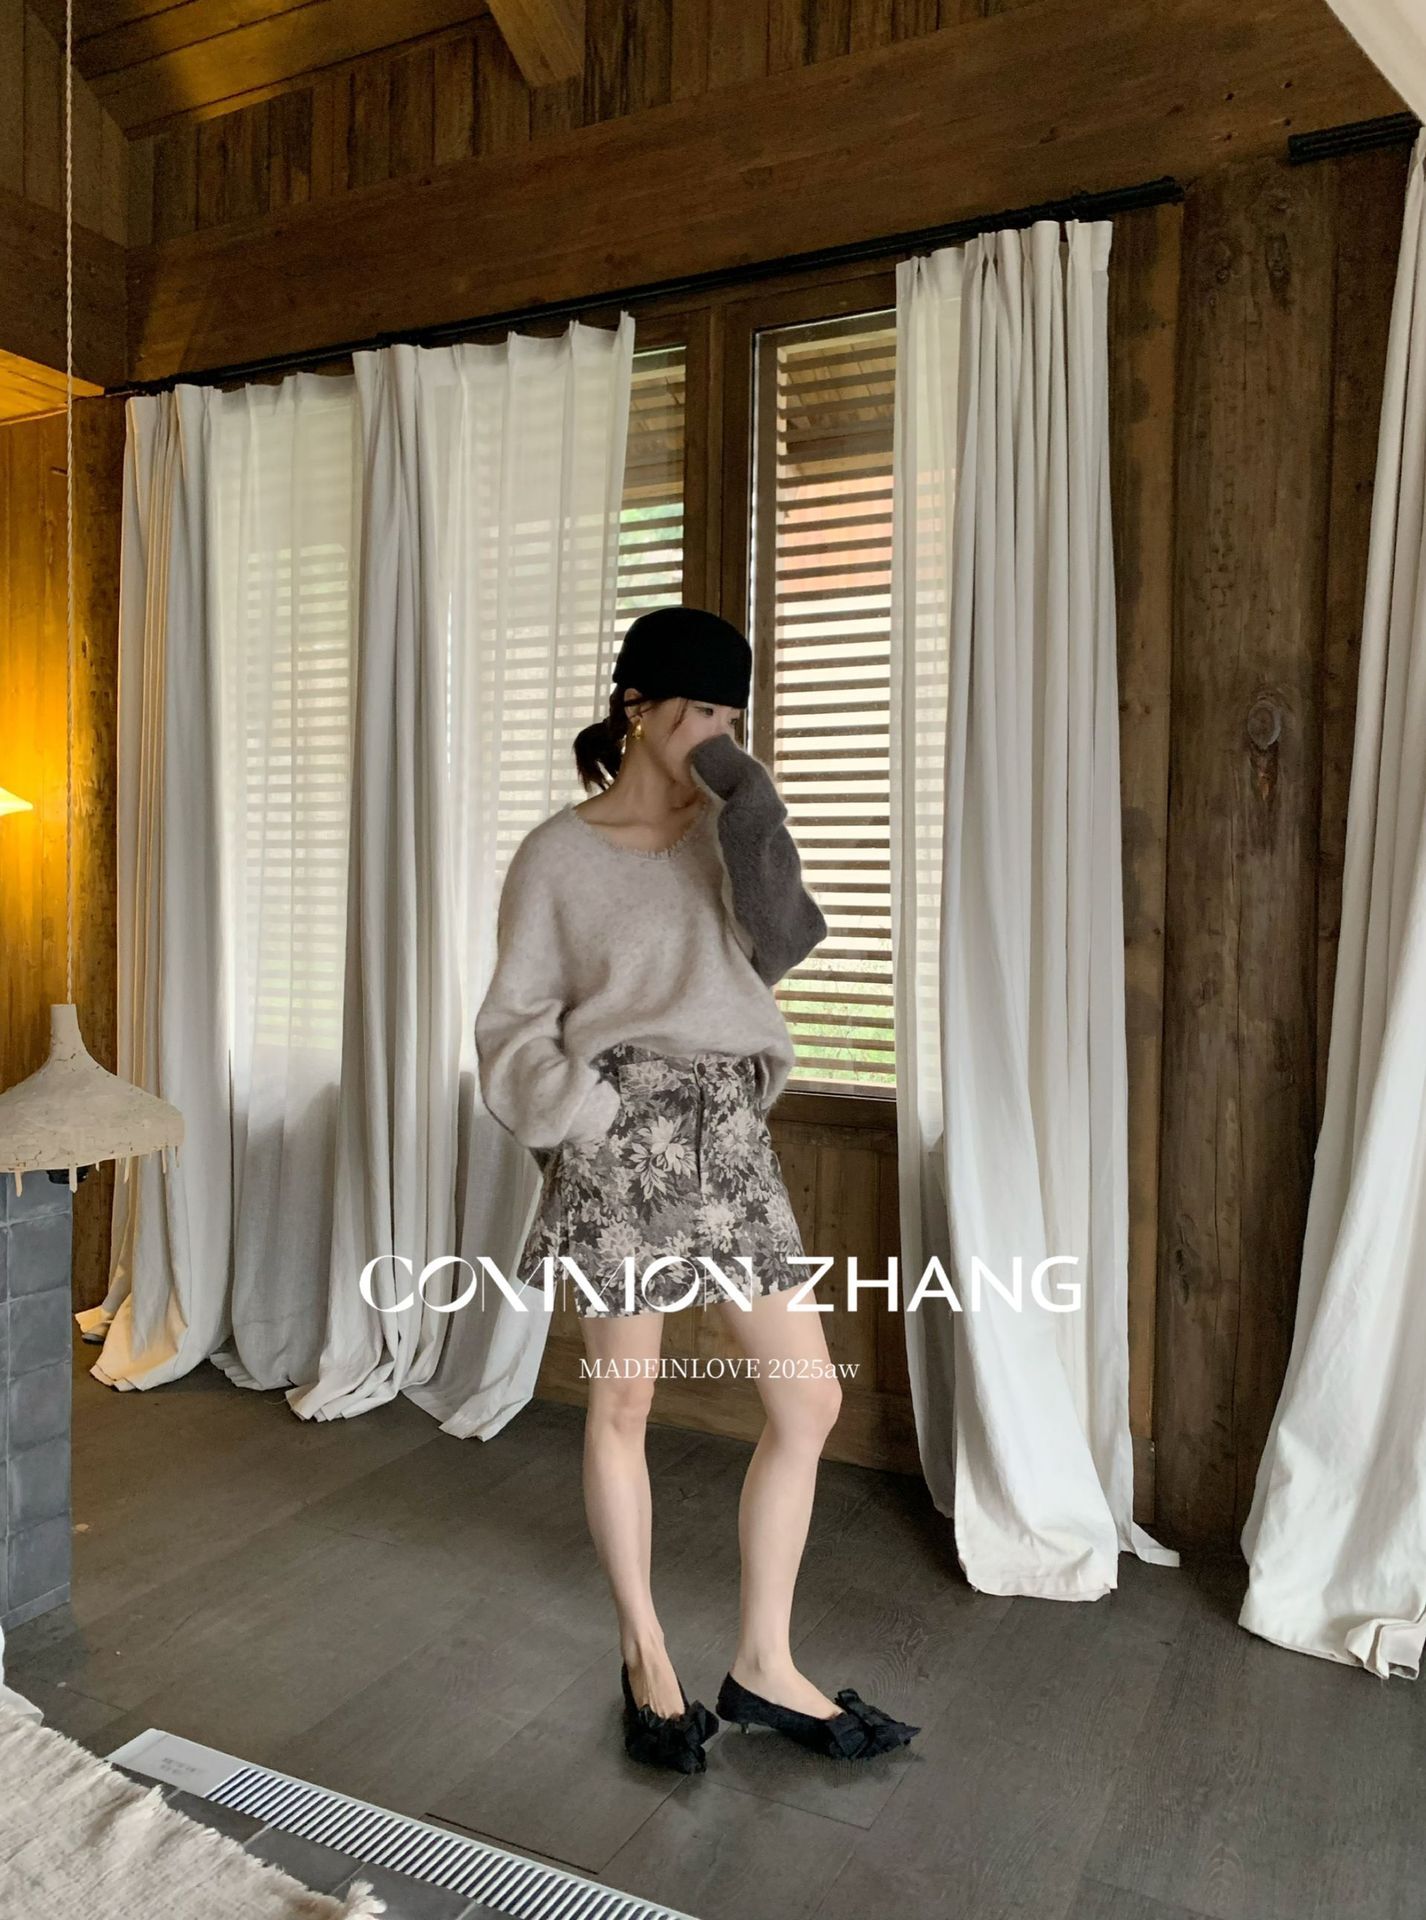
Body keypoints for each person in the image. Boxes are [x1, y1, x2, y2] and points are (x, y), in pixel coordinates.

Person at [474, 606, 919, 1774]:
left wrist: (752, 808)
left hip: (727, 1132)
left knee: (808, 1402)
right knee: (622, 1403)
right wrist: (584, 1115)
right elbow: (513, 1023)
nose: (717, 731)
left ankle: (763, 1663)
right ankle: (645, 1652)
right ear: (637, 705)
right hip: (618, 1133)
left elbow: (780, 947)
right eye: (699, 709)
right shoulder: (556, 857)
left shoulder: (733, 831)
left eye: (732, 712)